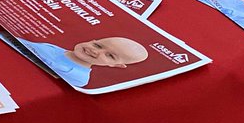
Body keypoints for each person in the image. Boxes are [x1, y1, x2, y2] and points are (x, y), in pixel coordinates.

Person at [18, 34, 148, 87]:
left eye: (110, 56)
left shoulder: (78, 76)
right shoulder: (56, 49)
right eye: (98, 45)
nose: (95, 51)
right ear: (92, 41)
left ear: (116, 65)